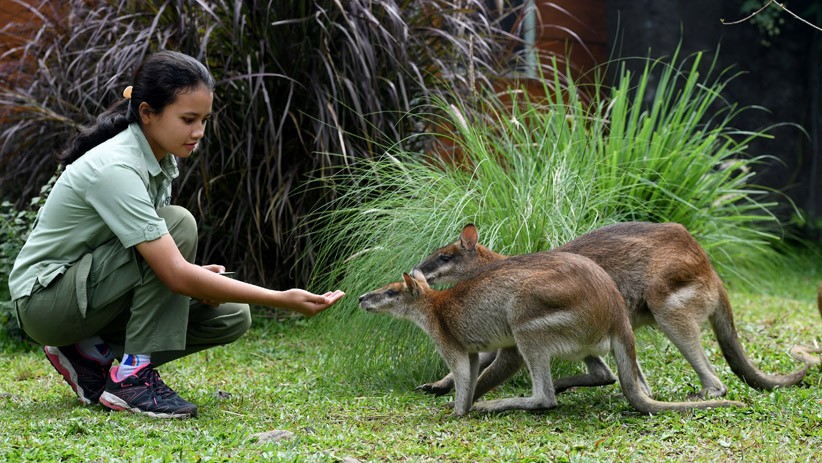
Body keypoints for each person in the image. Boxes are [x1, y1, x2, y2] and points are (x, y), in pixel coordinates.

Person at [7, 50, 345, 419]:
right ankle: (133, 378)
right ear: (148, 113)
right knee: (179, 223)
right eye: (188, 119)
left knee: (231, 315)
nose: (198, 132)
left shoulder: (158, 157)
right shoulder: (116, 167)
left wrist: (194, 275)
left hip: (90, 294)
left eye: (204, 120)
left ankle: (89, 354)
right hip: (46, 303)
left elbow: (151, 260)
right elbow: (172, 272)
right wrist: (282, 298)